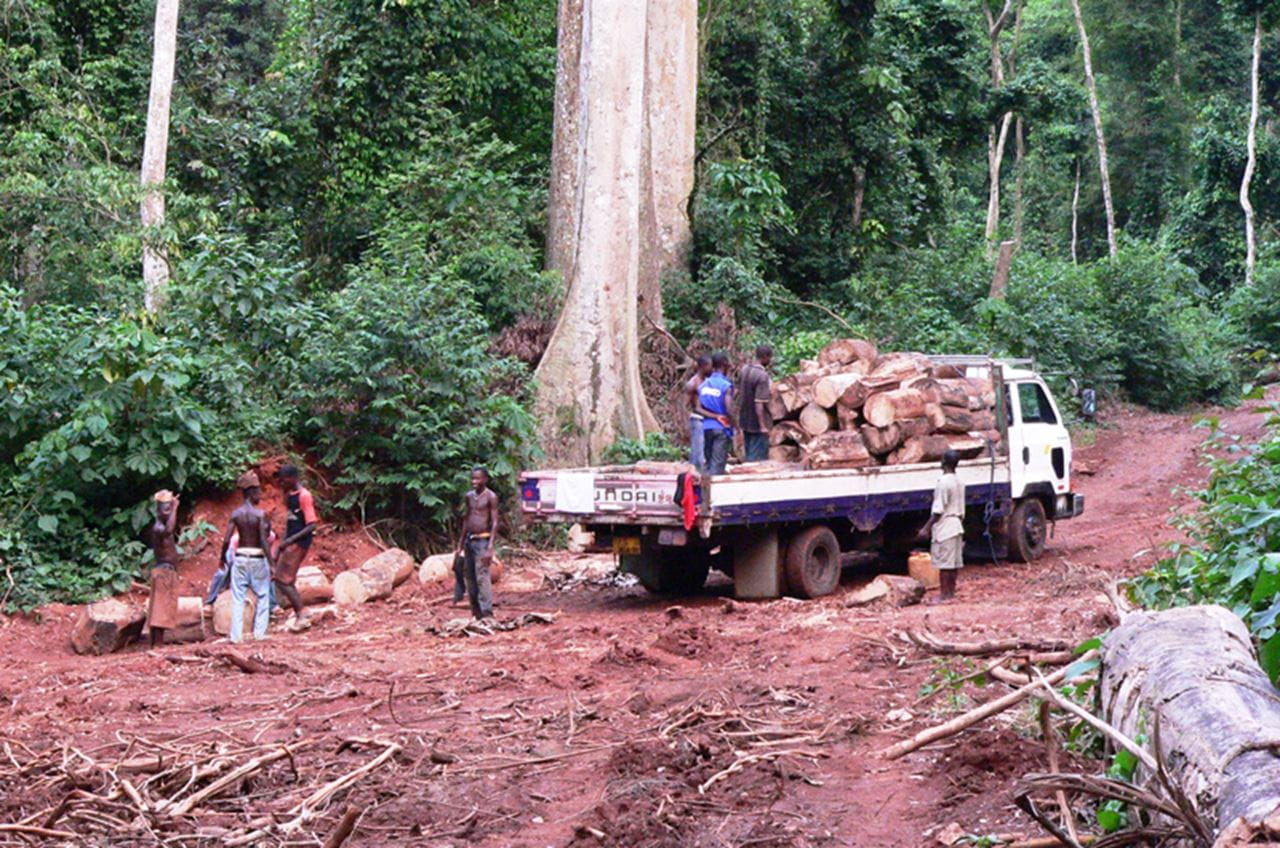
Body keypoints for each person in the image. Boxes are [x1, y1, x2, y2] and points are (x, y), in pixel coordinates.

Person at [219, 471, 275, 642]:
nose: (260, 494)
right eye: (257, 491)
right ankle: (259, 633)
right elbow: (264, 542)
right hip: (258, 558)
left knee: (238, 597)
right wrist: (271, 563)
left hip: (240, 557)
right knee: (263, 595)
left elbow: (227, 539)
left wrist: (222, 558)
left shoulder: (236, 514)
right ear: (250, 492)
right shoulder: (260, 515)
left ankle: (236, 637)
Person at [275, 464, 318, 630]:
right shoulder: (290, 495)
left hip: (300, 542)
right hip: (290, 541)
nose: (282, 483)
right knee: (285, 579)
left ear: (293, 478)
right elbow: (291, 521)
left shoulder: (304, 496)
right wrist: (283, 541)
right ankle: (301, 611)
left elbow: (311, 525)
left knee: (282, 579)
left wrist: (290, 540)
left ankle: (302, 613)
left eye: (284, 479)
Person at [455, 467, 500, 620]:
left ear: (485, 479)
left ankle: (487, 613)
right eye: (473, 479)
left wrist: (490, 547)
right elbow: (466, 520)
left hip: (483, 541)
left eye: (478, 479)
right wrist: (460, 544)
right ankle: (476, 613)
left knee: (482, 577)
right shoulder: (469, 496)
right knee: (470, 577)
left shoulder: (491, 497)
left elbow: (495, 522)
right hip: (470, 540)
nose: (474, 482)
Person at [922, 450, 966, 603]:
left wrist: (926, 528)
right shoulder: (959, 481)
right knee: (953, 563)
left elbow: (938, 510)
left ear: (944, 462)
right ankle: (951, 593)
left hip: (946, 526)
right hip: (957, 524)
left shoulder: (943, 483)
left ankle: (944, 595)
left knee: (944, 564)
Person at [146, 490, 181, 647]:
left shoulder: (162, 524)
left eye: (169, 508)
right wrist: (175, 507)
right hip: (164, 569)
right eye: (165, 509)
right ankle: (157, 644)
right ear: (158, 510)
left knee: (162, 607)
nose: (168, 512)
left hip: (166, 569)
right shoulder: (159, 527)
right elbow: (169, 530)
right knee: (161, 609)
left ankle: (155, 642)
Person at [697, 352, 736, 475]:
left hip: (705, 428)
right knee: (717, 465)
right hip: (721, 429)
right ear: (725, 364)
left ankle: (704, 491)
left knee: (708, 463)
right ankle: (715, 493)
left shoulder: (703, 385)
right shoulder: (726, 386)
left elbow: (698, 408)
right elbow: (729, 408)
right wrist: (734, 424)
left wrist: (712, 416)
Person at [738, 345, 773, 462]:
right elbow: (759, 402)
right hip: (756, 422)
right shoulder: (762, 376)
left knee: (748, 450)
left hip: (744, 419)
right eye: (770, 358)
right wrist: (762, 426)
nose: (770, 361)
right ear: (765, 357)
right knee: (756, 458)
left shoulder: (744, 369)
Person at [685, 355, 713, 471]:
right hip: (697, 420)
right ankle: (695, 475)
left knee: (706, 450)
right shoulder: (693, 383)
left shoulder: (707, 382)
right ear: (704, 367)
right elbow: (684, 405)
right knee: (698, 452)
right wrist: (685, 424)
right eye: (710, 366)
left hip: (707, 420)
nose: (712, 369)